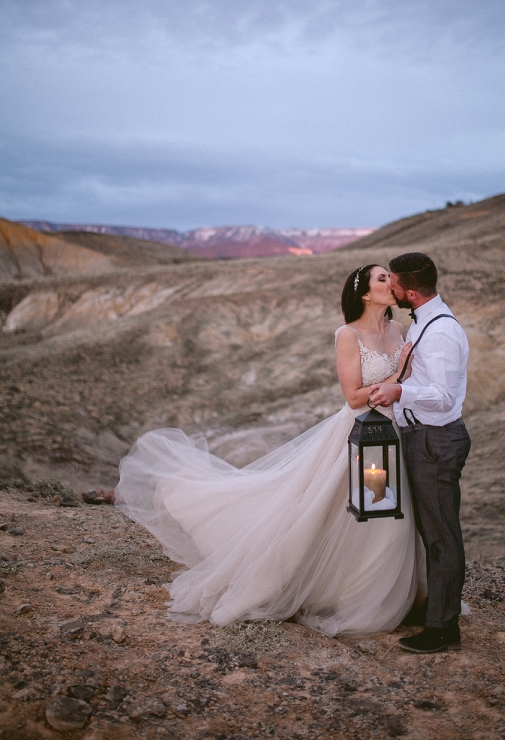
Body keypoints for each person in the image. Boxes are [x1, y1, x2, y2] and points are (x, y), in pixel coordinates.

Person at [115, 264, 425, 637]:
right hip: (360, 432)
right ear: (363, 293)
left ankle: (378, 590)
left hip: (396, 432)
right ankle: (338, 591)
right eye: (381, 278)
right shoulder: (348, 335)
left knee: (390, 514)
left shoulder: (399, 330)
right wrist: (398, 373)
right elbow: (354, 397)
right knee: (346, 511)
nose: (390, 283)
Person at [369, 252, 471, 653]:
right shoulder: (423, 324)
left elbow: (444, 397)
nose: (389, 288)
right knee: (431, 531)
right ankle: (433, 611)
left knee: (442, 535)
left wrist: (399, 392)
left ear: (409, 291)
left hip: (435, 441)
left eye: (391, 283)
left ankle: (443, 629)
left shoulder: (441, 332)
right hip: (420, 437)